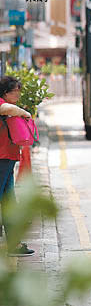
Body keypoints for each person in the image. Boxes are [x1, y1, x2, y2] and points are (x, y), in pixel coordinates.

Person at [0, 76, 34, 256]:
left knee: (8, 202)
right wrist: (24, 113)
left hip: (8, 158)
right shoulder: (3, 104)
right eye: (15, 92)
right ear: (5, 93)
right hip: (2, 158)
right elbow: (6, 108)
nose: (18, 95)